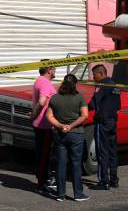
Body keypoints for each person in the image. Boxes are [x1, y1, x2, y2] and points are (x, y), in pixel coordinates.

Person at [46, 74, 89, 202]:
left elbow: (49, 116)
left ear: (63, 83)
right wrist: (71, 126)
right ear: (75, 84)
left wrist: (60, 125)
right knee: (76, 164)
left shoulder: (55, 98)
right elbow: (84, 115)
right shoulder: (79, 97)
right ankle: (78, 194)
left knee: (61, 164)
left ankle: (60, 194)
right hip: (76, 133)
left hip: (59, 134)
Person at [89, 64, 121, 190]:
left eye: (95, 74)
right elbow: (118, 105)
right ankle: (114, 179)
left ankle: (104, 181)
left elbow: (92, 103)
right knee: (112, 151)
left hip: (103, 122)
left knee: (102, 152)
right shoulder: (114, 85)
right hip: (112, 121)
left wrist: (81, 109)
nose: (93, 77)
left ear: (101, 74)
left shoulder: (101, 85)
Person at [31, 64, 56, 194]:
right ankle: (42, 184)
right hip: (44, 124)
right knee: (44, 155)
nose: (55, 71)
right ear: (49, 70)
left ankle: (46, 179)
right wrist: (34, 115)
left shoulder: (39, 80)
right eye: (54, 69)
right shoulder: (45, 83)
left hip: (41, 124)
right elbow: (41, 102)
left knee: (44, 154)